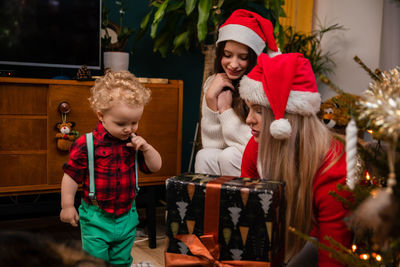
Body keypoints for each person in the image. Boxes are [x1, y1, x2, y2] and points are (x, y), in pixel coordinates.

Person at [239, 53, 352, 267]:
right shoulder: (255, 148)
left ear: (285, 119)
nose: (248, 119)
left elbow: (333, 254)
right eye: (249, 108)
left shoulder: (332, 166)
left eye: (259, 111)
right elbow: (250, 217)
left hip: (314, 245)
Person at [60, 70, 162, 267]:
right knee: (95, 262)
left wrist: (147, 148)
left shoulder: (134, 142)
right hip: (96, 217)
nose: (129, 129)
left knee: (121, 261)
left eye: (134, 122)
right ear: (101, 115)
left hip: (127, 216)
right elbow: (71, 176)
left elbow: (155, 167)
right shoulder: (86, 143)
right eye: (121, 123)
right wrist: (67, 206)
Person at [194, 9, 281, 176]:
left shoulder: (261, 86)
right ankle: (208, 201)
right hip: (233, 156)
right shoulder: (214, 83)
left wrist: (226, 112)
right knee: (205, 156)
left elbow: (253, 143)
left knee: (230, 155)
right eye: (227, 55)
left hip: (264, 159)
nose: (233, 64)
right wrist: (211, 101)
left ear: (254, 58)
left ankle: (238, 202)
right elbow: (213, 146)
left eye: (242, 57)